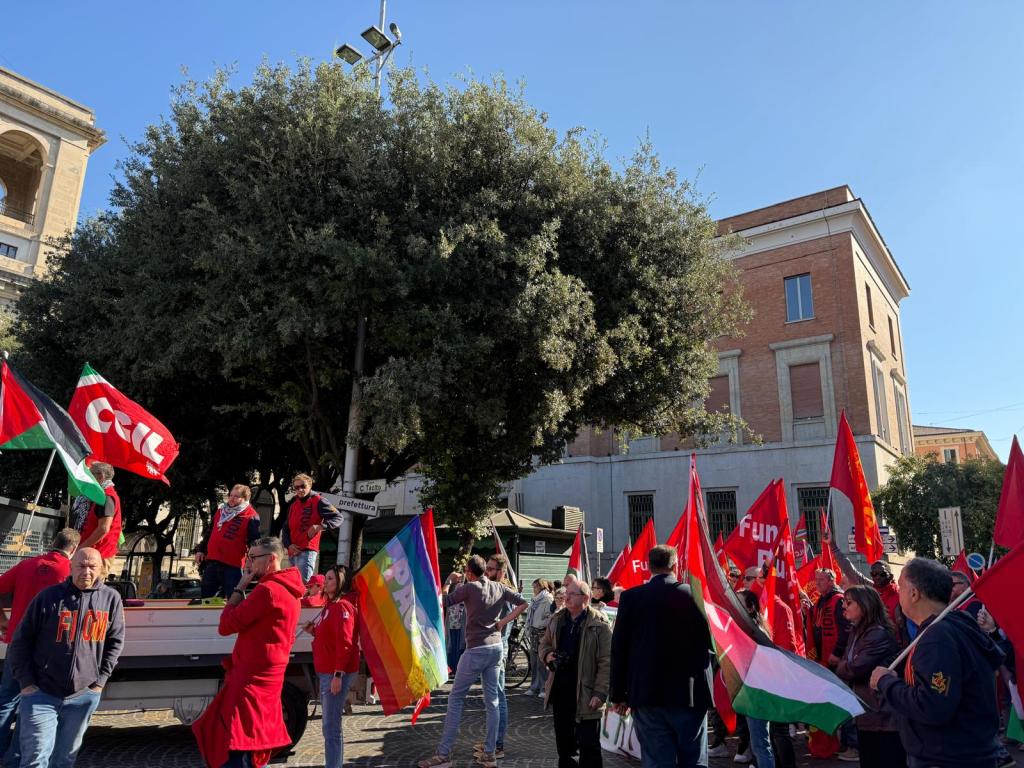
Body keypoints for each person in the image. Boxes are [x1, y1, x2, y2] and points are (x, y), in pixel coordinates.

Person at [870, 557, 1005, 768]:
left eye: (902, 586)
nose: (899, 593)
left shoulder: (938, 637)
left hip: (948, 757)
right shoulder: (954, 626)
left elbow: (932, 706)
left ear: (914, 593)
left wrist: (886, 683)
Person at [192, 537, 305, 768]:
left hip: (250, 679)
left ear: (271, 559)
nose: (249, 563)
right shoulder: (293, 591)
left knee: (235, 740)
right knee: (255, 740)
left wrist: (240, 586)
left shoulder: (266, 590)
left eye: (254, 558)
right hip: (269, 677)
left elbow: (226, 626)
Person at [8, 547, 125, 768]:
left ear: (101, 569)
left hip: (83, 696)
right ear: (71, 566)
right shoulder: (49, 597)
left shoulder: (111, 599)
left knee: (65, 759)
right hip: (41, 694)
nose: (86, 572)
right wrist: (26, 683)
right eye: (81, 566)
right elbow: (21, 640)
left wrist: (99, 682)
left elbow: (115, 641)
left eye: (92, 566)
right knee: (35, 758)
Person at [609, 545, 714, 767]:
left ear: (649, 566)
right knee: (693, 761)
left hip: (647, 693)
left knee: (657, 761)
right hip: (690, 694)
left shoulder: (631, 598)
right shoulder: (695, 595)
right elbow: (711, 643)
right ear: (675, 565)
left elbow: (619, 649)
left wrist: (618, 694)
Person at [418, 555, 527, 768]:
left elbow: (443, 601)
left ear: (469, 572)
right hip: (495, 649)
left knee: (456, 698)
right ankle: (489, 754)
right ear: (484, 569)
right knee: (492, 701)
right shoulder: (498, 588)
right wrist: (502, 622)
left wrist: (449, 581)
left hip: (476, 649)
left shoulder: (470, 588)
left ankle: (444, 754)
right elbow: (524, 603)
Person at [0, 529, 81, 766]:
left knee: (6, 699)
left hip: (17, 643)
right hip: (45, 648)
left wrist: (2, 620)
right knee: (33, 703)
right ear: (73, 549)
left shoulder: (26, 565)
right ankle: (15, 758)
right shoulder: (68, 571)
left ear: (52, 543)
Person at [539, 580, 611, 768]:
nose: (566, 597)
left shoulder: (599, 624)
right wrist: (548, 655)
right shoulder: (557, 619)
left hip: (587, 694)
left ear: (585, 598)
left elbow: (606, 662)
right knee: (564, 748)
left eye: (571, 594)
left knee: (589, 749)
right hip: (561, 691)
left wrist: (600, 693)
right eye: (565, 593)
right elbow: (544, 644)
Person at [833, 585, 904, 767]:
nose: (843, 606)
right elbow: (845, 664)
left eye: (849, 602)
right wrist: (844, 665)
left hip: (883, 718)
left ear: (865, 605)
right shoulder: (857, 631)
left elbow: (851, 669)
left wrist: (843, 666)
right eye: (843, 602)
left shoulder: (877, 634)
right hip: (867, 715)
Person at [302, 565, 358, 768]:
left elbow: (345, 643)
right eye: (325, 578)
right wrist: (314, 632)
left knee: (331, 728)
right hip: (328, 672)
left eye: (330, 579)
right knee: (330, 727)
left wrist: (337, 674)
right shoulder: (330, 606)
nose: (325, 582)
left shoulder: (342, 607)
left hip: (334, 674)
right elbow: (331, 640)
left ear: (341, 582)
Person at [472, 554, 515, 762]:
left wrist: (499, 625)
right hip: (491, 648)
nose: (487, 572)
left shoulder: (504, 591)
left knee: (498, 697)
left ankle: (497, 744)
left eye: (491, 569)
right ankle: (492, 740)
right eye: (486, 568)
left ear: (501, 571)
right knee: (492, 698)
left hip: (499, 650)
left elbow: (510, 617)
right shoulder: (492, 588)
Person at [194, 484, 261, 598]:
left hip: (233, 565)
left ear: (245, 499)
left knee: (233, 598)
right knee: (206, 597)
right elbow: (209, 533)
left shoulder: (251, 516)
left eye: (236, 496)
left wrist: (254, 561)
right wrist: (201, 550)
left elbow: (254, 541)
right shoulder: (221, 511)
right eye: (230, 495)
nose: (231, 498)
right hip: (213, 561)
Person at [736, 589, 776, 768]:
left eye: (738, 603)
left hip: (758, 695)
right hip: (750, 692)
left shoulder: (757, 633)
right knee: (758, 743)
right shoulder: (748, 630)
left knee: (760, 744)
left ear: (751, 608)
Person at [282, 474, 341, 584]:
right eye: (296, 487)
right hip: (292, 552)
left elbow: (338, 517)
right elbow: (286, 528)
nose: (300, 489)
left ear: (310, 485)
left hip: (307, 551)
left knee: (304, 584)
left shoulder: (319, 500)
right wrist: (288, 545)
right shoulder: (293, 505)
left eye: (303, 486)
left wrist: (320, 526)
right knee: (292, 585)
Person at [75, 462, 123, 574]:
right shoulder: (100, 495)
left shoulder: (106, 497)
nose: (87, 478)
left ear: (100, 476)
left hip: (98, 554)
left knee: (90, 588)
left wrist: (80, 548)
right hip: (93, 552)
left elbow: (103, 528)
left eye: (91, 475)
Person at [526, 579, 554, 696]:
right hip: (533, 632)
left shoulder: (547, 599)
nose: (533, 589)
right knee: (534, 661)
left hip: (542, 633)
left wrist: (541, 623)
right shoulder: (534, 599)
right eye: (533, 587)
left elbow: (550, 617)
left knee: (542, 661)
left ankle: (544, 688)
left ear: (541, 587)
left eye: (535, 587)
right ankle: (534, 687)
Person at [445, 573, 467, 674]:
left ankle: (457, 669)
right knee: (451, 646)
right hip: (452, 623)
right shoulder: (453, 591)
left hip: (460, 625)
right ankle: (452, 668)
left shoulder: (465, 589)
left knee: (459, 646)